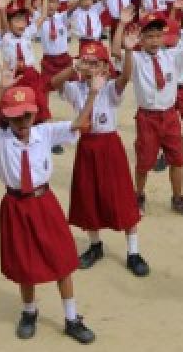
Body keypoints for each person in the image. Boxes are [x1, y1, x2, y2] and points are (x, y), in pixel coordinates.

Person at [0, 80, 95, 344]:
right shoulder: (0, 139)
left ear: (35, 114)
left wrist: (95, 93)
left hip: (44, 202)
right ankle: (29, 312)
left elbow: (77, 125)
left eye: (27, 115)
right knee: (24, 262)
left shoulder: (45, 132)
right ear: (6, 117)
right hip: (16, 205)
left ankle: (71, 317)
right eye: (15, 116)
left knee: (62, 259)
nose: (22, 121)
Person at [53, 39, 148, 277]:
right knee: (88, 196)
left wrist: (127, 50)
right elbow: (54, 82)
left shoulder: (109, 88)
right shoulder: (76, 88)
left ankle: (133, 252)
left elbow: (126, 76)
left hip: (109, 145)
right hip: (87, 146)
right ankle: (95, 245)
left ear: (105, 68)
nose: (91, 68)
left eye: (96, 64)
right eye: (87, 62)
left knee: (122, 196)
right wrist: (74, 68)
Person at [118, 13, 183, 217]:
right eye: (149, 37)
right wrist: (127, 47)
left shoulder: (171, 55)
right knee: (144, 161)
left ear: (164, 37)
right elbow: (126, 74)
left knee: (177, 159)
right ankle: (138, 195)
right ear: (141, 39)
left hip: (170, 115)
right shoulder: (136, 58)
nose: (154, 41)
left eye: (158, 36)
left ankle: (178, 197)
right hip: (148, 117)